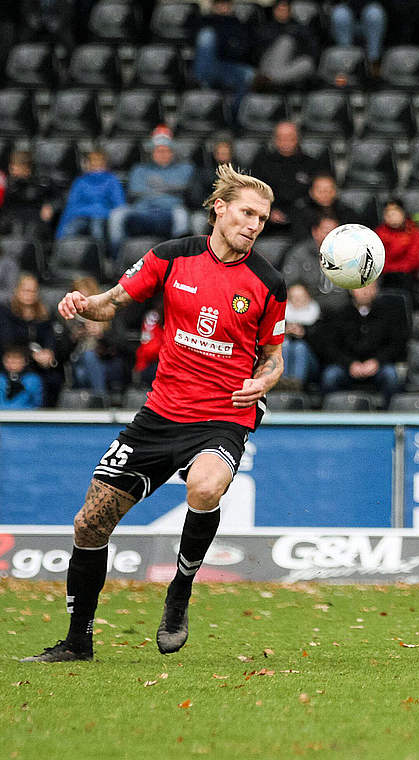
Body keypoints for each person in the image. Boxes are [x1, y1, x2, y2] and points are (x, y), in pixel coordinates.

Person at [23, 165, 286, 663]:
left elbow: (274, 355)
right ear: (220, 208)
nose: (254, 225)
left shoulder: (267, 282)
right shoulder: (172, 257)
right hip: (160, 414)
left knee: (205, 486)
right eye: (247, 213)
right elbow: (113, 302)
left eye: (263, 218)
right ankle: (78, 642)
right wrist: (84, 302)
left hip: (223, 414)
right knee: (89, 524)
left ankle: (179, 593)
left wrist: (263, 380)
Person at [315, 281, 407, 405]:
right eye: (360, 287)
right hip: (346, 366)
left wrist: (377, 361)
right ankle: (331, 417)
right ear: (351, 290)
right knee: (330, 376)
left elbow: (396, 344)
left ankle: (389, 420)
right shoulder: (339, 314)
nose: (365, 291)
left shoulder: (388, 314)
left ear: (376, 290)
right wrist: (350, 364)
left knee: (391, 376)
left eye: (370, 287)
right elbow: (330, 347)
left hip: (378, 366)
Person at [108, 129, 194, 255]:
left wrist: (152, 188)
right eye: (158, 151)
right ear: (152, 153)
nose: (162, 154)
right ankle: (117, 258)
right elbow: (136, 190)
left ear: (172, 153)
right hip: (142, 209)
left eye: (166, 151)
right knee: (116, 215)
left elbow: (183, 186)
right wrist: (168, 188)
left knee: (182, 216)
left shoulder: (184, 168)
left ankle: (180, 259)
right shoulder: (139, 169)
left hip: (170, 209)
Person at [0, 272, 61, 404]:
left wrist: (49, 352)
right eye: (26, 290)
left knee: (54, 379)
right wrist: (32, 354)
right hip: (11, 362)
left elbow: (51, 338)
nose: (30, 295)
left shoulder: (45, 315)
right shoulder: (6, 312)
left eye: (33, 291)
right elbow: (7, 340)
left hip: (39, 365)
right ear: (17, 291)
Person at [250, 122, 317, 239]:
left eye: (290, 137)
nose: (285, 141)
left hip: (301, 220)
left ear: (297, 138)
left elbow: (316, 195)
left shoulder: (311, 164)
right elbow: (253, 192)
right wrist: (269, 212)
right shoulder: (261, 163)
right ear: (275, 139)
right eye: (281, 137)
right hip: (266, 219)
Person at [194, 0, 257, 123]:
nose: (222, 6)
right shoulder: (203, 21)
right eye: (218, 3)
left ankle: (234, 113)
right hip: (208, 67)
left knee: (250, 75)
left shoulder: (238, 24)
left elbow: (243, 50)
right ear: (212, 5)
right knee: (206, 35)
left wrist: (226, 47)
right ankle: (202, 84)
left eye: (225, 3)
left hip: (229, 67)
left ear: (231, 5)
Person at [57, 149, 125, 253]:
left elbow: (119, 204)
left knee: (97, 231)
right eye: (94, 162)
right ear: (87, 164)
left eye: (99, 162)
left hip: (103, 216)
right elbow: (71, 206)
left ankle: (100, 260)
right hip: (81, 216)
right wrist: (60, 233)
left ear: (105, 164)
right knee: (70, 230)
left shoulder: (112, 180)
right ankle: (64, 258)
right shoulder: (80, 181)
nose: (97, 166)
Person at [256, 0, 319, 91]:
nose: (282, 12)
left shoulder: (299, 28)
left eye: (285, 10)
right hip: (268, 64)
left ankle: (271, 80)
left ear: (290, 12)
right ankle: (274, 79)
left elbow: (313, 47)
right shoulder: (265, 28)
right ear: (274, 11)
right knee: (286, 41)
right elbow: (259, 53)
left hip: (292, 65)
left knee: (308, 63)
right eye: (279, 10)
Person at [0, 150, 56, 240]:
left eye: (17, 167)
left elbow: (57, 198)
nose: (12, 170)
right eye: (12, 167)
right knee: (15, 227)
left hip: (36, 218)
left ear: (27, 169)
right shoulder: (9, 185)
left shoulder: (42, 183)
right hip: (13, 219)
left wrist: (51, 206)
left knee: (33, 229)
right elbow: (5, 206)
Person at [374, 198, 419, 295]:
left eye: (395, 213)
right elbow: (378, 259)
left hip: (407, 274)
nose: (392, 217)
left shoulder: (413, 231)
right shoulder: (379, 233)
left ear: (403, 213)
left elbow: (415, 258)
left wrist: (399, 269)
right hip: (385, 275)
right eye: (388, 214)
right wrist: (390, 269)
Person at [292, 173, 358, 241]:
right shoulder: (302, 213)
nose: (325, 194)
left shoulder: (347, 212)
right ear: (311, 192)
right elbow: (300, 239)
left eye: (329, 190)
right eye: (320, 191)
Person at [280, 283, 319, 389]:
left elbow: (322, 348)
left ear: (308, 297)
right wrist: (285, 332)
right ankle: (283, 382)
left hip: (312, 363)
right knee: (285, 344)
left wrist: (304, 334)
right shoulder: (281, 316)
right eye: (294, 297)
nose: (297, 301)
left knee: (300, 347)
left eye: (301, 297)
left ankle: (296, 384)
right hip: (287, 353)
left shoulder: (317, 316)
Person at [330, 0, 387, 66]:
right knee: (340, 16)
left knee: (375, 15)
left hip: (371, 10)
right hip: (344, 8)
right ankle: (346, 62)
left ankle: (373, 62)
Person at [0, 343, 42, 409]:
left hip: (26, 416)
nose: (12, 362)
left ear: (25, 361)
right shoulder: (1, 378)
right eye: (8, 358)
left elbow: (38, 403)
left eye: (16, 358)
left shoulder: (32, 380)